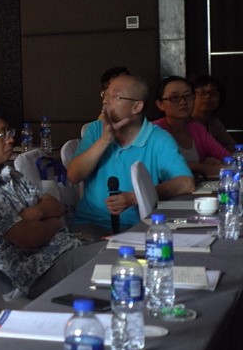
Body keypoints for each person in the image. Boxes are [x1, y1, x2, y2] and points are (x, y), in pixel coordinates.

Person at [0, 102, 104, 298]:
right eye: (2, 134)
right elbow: (30, 238)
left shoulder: (8, 173)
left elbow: (56, 206)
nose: (10, 139)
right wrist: (54, 224)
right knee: (121, 261)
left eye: (9, 132)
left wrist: (36, 213)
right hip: (38, 273)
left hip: (64, 250)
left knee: (125, 253)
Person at [68, 73, 194, 232]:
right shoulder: (95, 130)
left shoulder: (158, 138)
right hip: (90, 227)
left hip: (139, 229)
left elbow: (186, 183)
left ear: (136, 107)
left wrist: (136, 196)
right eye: (105, 94)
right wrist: (105, 140)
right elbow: (73, 176)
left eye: (115, 96)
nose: (105, 101)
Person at [153, 76, 228, 177]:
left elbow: (227, 158)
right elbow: (164, 168)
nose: (183, 102)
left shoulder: (197, 128)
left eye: (188, 96)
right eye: (174, 97)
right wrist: (201, 167)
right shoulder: (154, 131)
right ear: (160, 104)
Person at [190, 74, 238, 150]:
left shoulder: (213, 123)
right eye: (202, 92)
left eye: (213, 93)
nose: (207, 97)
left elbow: (234, 146)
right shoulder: (182, 122)